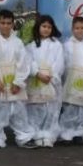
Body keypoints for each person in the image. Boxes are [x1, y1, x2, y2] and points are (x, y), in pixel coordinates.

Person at [0, 9, 35, 150]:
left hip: (14, 83)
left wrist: (18, 82)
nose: (5, 26)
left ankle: (23, 136)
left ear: (13, 24)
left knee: (18, 110)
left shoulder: (18, 43)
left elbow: (23, 64)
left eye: (8, 23)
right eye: (3, 23)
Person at [26, 15, 65, 148]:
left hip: (51, 81)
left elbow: (59, 63)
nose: (46, 29)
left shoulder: (57, 45)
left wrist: (51, 76)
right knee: (35, 108)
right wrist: (37, 73)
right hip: (36, 81)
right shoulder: (31, 46)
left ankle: (48, 135)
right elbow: (29, 62)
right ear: (38, 27)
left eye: (49, 27)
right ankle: (36, 134)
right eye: (44, 26)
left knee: (51, 109)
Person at [59, 16, 83, 144]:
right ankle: (66, 132)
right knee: (70, 107)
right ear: (72, 29)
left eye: (82, 28)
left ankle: (80, 132)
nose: (80, 30)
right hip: (70, 81)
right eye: (77, 28)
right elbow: (62, 64)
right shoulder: (66, 47)